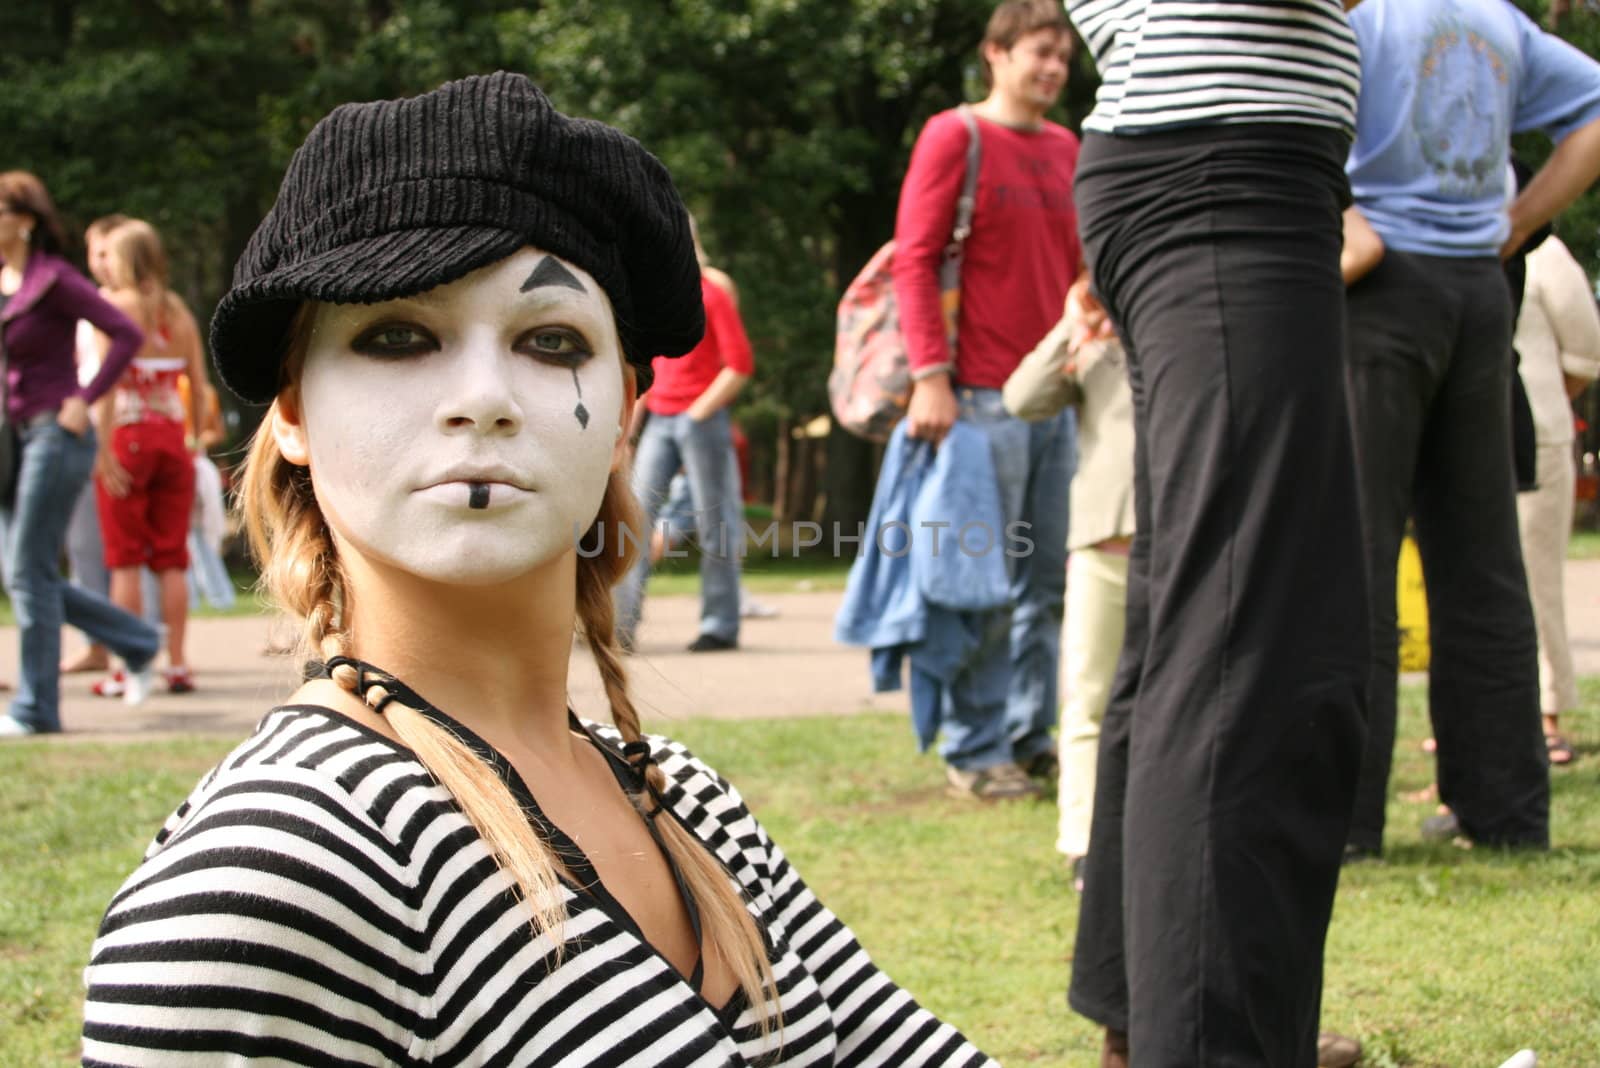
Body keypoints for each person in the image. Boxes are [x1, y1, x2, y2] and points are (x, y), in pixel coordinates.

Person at [82, 73, 997, 1067]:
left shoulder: (683, 799)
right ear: (291, 413)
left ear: (624, 413)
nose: (483, 398)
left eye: (549, 340)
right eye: (398, 336)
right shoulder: (267, 875)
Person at [1059, 1, 1370, 1065]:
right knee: (1250, 641)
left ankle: (1155, 1020)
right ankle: (1204, 1041)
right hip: (1221, 172)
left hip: (1218, 168)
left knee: (1205, 620)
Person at [1342, 0, 1600, 857]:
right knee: (1484, 566)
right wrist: (1517, 223)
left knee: (1356, 562)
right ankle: (1506, 816)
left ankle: (1345, 823)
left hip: (1377, 293)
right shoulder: (1500, 22)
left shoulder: (1355, 17)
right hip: (1478, 296)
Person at [893, 0, 1080, 799]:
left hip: (1056, 399)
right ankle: (975, 750)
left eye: (1064, 57)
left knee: (1047, 587)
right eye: (1040, 52)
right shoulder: (955, 135)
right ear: (996, 54)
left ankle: (1029, 733)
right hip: (974, 399)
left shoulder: (1070, 147)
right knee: (982, 588)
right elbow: (914, 258)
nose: (1053, 69)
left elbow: (1080, 272)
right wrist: (930, 376)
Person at [0, 173, 161, 737]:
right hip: (12, 440)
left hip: (56, 435)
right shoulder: (7, 284)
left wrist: (84, 400)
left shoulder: (55, 279)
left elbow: (124, 334)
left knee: (27, 571)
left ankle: (36, 708)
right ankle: (138, 640)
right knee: (27, 570)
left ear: (25, 220)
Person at [1001, 288, 1132, 886]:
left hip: (1191, 542)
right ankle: (1085, 845)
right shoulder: (1094, 340)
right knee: (1088, 701)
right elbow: (1023, 399)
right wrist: (1071, 325)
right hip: (1104, 542)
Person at [615, 215, 753, 653]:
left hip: (701, 420)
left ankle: (719, 626)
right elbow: (647, 372)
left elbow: (740, 366)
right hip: (659, 416)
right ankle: (619, 629)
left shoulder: (712, 294)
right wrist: (627, 432)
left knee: (717, 525)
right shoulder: (657, 300)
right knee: (634, 520)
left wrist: (698, 414)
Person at [91, 218, 206, 694]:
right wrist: (195, 441)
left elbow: (106, 387)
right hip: (173, 440)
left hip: (127, 436)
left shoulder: (114, 308)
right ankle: (177, 663)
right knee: (171, 558)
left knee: (125, 559)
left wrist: (101, 453)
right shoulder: (178, 311)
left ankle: (126, 665)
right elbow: (197, 386)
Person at [1515, 233, 1600, 766]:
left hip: (1537, 438)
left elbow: (1585, 354)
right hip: (1456, 440)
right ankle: (1470, 721)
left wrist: (1531, 405)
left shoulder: (1543, 253)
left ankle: (1547, 717)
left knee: (1535, 579)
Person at [60, 212, 128, 677]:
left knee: (101, 546)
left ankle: (116, 642)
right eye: (96, 252)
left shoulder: (108, 307)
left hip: (107, 431)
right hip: (102, 428)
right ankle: (105, 642)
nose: (101, 262)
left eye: (108, 252)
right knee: (91, 546)